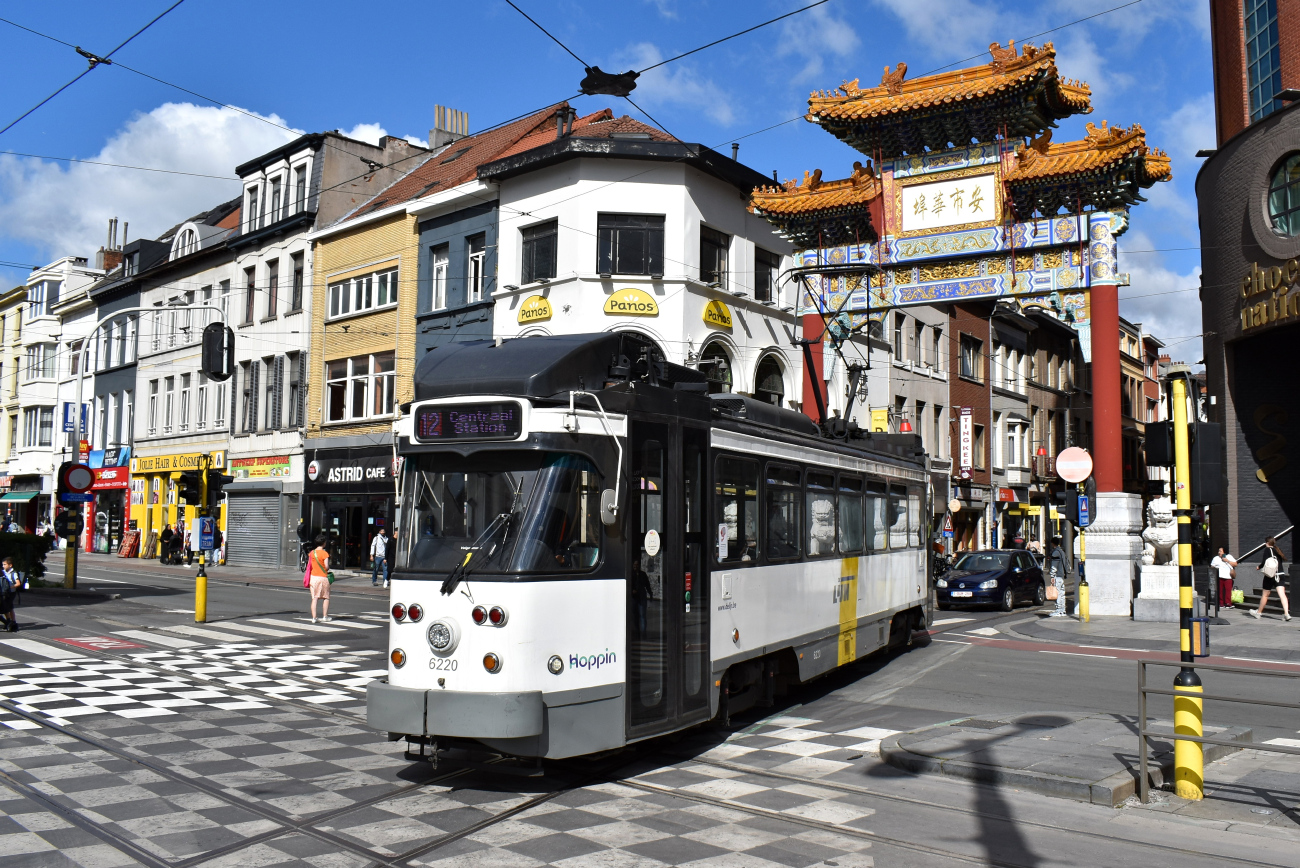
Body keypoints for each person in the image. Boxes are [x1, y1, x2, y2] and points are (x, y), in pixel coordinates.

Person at [1250, 537, 1290, 621]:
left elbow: (1265, 562)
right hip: (1280, 574)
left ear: (1267, 542)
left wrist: (1259, 567)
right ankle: (1286, 613)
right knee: (1282, 594)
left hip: (1270, 575)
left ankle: (1259, 613)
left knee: (1265, 594)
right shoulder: (1278, 550)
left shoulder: (1267, 550)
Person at [307, 534, 331, 624]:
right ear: (324, 543)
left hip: (313, 577)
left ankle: (314, 618)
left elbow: (309, 565)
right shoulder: (325, 553)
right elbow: (326, 566)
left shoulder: (312, 553)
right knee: (326, 597)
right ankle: (325, 616)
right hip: (322, 577)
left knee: (314, 598)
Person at [1049, 536, 1072, 617]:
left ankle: (1058, 610)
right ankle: (1062, 610)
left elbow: (1054, 566)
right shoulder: (1062, 551)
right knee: (1062, 593)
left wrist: (1052, 576)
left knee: (1057, 593)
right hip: (1062, 575)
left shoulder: (1055, 553)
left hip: (1057, 576)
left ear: (1052, 543)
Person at [0, 557, 19, 632]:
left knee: (9, 607)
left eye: (5, 564)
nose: (3, 566)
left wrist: (11, 586)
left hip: (11, 593)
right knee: (5, 607)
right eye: (3, 564)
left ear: (10, 565)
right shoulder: (3, 572)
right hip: (5, 592)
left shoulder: (14, 573)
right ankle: (8, 621)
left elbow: (18, 583)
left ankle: (12, 622)